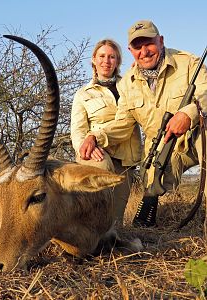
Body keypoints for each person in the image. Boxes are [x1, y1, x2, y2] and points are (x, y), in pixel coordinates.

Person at [79, 20, 207, 227]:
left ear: (161, 41)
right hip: (165, 147)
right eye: (138, 47)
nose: (144, 52)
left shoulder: (189, 63)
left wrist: (188, 113)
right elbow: (123, 123)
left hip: (198, 135)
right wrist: (96, 136)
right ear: (130, 50)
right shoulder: (127, 83)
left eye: (149, 44)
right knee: (151, 189)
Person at [70, 39, 142, 225]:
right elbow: (78, 131)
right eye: (102, 56)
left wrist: (140, 72)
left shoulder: (130, 85)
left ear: (117, 61)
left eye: (112, 57)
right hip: (98, 153)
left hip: (125, 159)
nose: (106, 61)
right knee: (96, 213)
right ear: (94, 59)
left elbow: (128, 122)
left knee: (114, 223)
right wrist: (85, 147)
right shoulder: (83, 94)